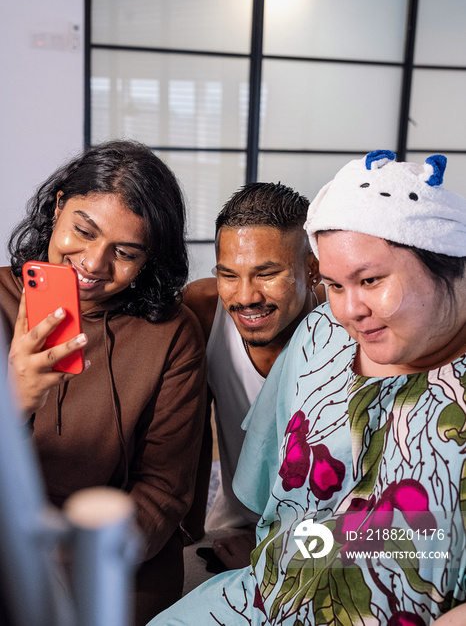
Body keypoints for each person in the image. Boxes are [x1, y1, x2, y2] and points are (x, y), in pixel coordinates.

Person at [148, 150, 466, 626]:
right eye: (337, 286)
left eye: (371, 280)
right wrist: (285, 555)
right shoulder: (319, 334)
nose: (349, 310)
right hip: (270, 591)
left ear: (449, 263)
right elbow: (282, 504)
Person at [0, 140, 206, 626]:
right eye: (83, 231)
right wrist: (13, 401)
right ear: (57, 207)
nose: (93, 263)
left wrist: (79, 555)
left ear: (150, 256)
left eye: (125, 252)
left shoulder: (172, 334)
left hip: (119, 554)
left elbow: (163, 488)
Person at [181, 182, 324, 570]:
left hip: (326, 529)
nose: (244, 296)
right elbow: (189, 434)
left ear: (312, 269)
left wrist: (278, 549)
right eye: (229, 274)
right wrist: (190, 533)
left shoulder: (344, 324)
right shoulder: (204, 309)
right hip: (235, 518)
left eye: (266, 274)